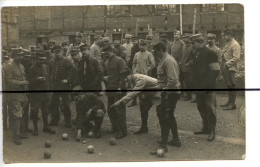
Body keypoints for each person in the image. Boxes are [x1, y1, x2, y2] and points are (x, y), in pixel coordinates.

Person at [150, 42, 181, 155]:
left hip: (169, 93)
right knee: (168, 116)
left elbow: (172, 80)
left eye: (156, 51)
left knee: (165, 117)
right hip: (167, 92)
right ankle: (176, 140)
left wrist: (165, 93)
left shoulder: (168, 60)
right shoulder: (164, 59)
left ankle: (163, 144)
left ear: (161, 50)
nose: (155, 53)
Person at [190, 34, 220, 141]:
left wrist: (205, 85)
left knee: (210, 109)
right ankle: (205, 127)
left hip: (208, 87)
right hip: (199, 86)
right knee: (201, 107)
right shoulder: (196, 53)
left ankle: (212, 131)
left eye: (193, 43)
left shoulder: (210, 53)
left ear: (200, 42)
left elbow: (215, 71)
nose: (192, 45)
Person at [103, 44, 129, 139]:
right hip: (110, 88)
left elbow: (124, 75)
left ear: (112, 51)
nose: (106, 55)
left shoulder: (120, 60)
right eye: (104, 53)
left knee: (120, 110)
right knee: (110, 109)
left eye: (107, 53)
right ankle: (115, 127)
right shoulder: (107, 61)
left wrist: (120, 88)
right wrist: (106, 77)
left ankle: (123, 130)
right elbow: (108, 73)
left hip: (118, 89)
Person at [27, 50, 56, 136]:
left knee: (45, 111)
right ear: (36, 59)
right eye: (40, 59)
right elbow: (29, 82)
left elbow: (49, 80)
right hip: (36, 95)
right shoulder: (31, 69)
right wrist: (37, 79)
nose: (42, 61)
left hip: (45, 94)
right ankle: (36, 129)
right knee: (35, 112)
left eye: (43, 59)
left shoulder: (45, 67)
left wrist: (50, 91)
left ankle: (46, 127)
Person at [5, 48, 30, 145]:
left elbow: (24, 78)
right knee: (16, 114)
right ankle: (16, 136)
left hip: (23, 94)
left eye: (21, 55)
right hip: (15, 94)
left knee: (21, 113)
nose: (20, 57)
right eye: (18, 55)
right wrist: (21, 83)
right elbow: (8, 81)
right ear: (13, 56)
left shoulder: (22, 66)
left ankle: (21, 132)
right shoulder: (9, 67)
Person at [49, 45, 74, 127]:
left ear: (62, 52)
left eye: (59, 51)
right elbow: (50, 73)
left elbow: (73, 70)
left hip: (64, 87)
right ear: (53, 53)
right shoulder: (52, 61)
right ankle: (55, 120)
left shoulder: (66, 61)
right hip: (55, 86)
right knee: (54, 104)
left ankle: (68, 121)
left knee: (66, 104)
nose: (57, 53)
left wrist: (68, 80)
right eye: (55, 52)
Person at [220, 29, 241, 110]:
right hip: (226, 67)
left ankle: (232, 104)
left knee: (232, 85)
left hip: (231, 68)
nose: (223, 37)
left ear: (230, 35)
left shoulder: (235, 44)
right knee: (229, 85)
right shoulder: (228, 43)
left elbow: (237, 58)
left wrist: (227, 64)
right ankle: (229, 102)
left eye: (224, 35)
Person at [179, 35, 193, 101]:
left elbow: (193, 58)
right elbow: (181, 55)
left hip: (188, 68)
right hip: (181, 67)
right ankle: (182, 94)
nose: (184, 39)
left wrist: (188, 63)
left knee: (187, 82)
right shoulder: (184, 46)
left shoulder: (192, 47)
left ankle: (189, 96)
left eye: (185, 38)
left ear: (189, 39)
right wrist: (180, 62)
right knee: (180, 80)